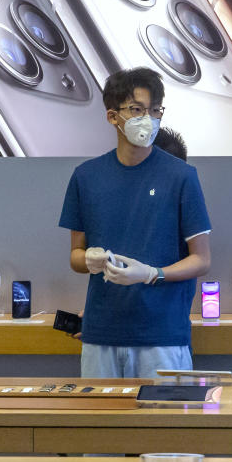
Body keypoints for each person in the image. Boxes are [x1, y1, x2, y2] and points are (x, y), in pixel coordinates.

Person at [59, 67, 212, 378]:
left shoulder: (181, 176)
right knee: (100, 425)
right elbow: (75, 256)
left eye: (155, 110)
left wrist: (152, 273)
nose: (148, 119)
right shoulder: (86, 177)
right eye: (137, 109)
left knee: (166, 426)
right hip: (101, 333)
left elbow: (202, 259)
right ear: (113, 116)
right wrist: (90, 259)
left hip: (161, 336)